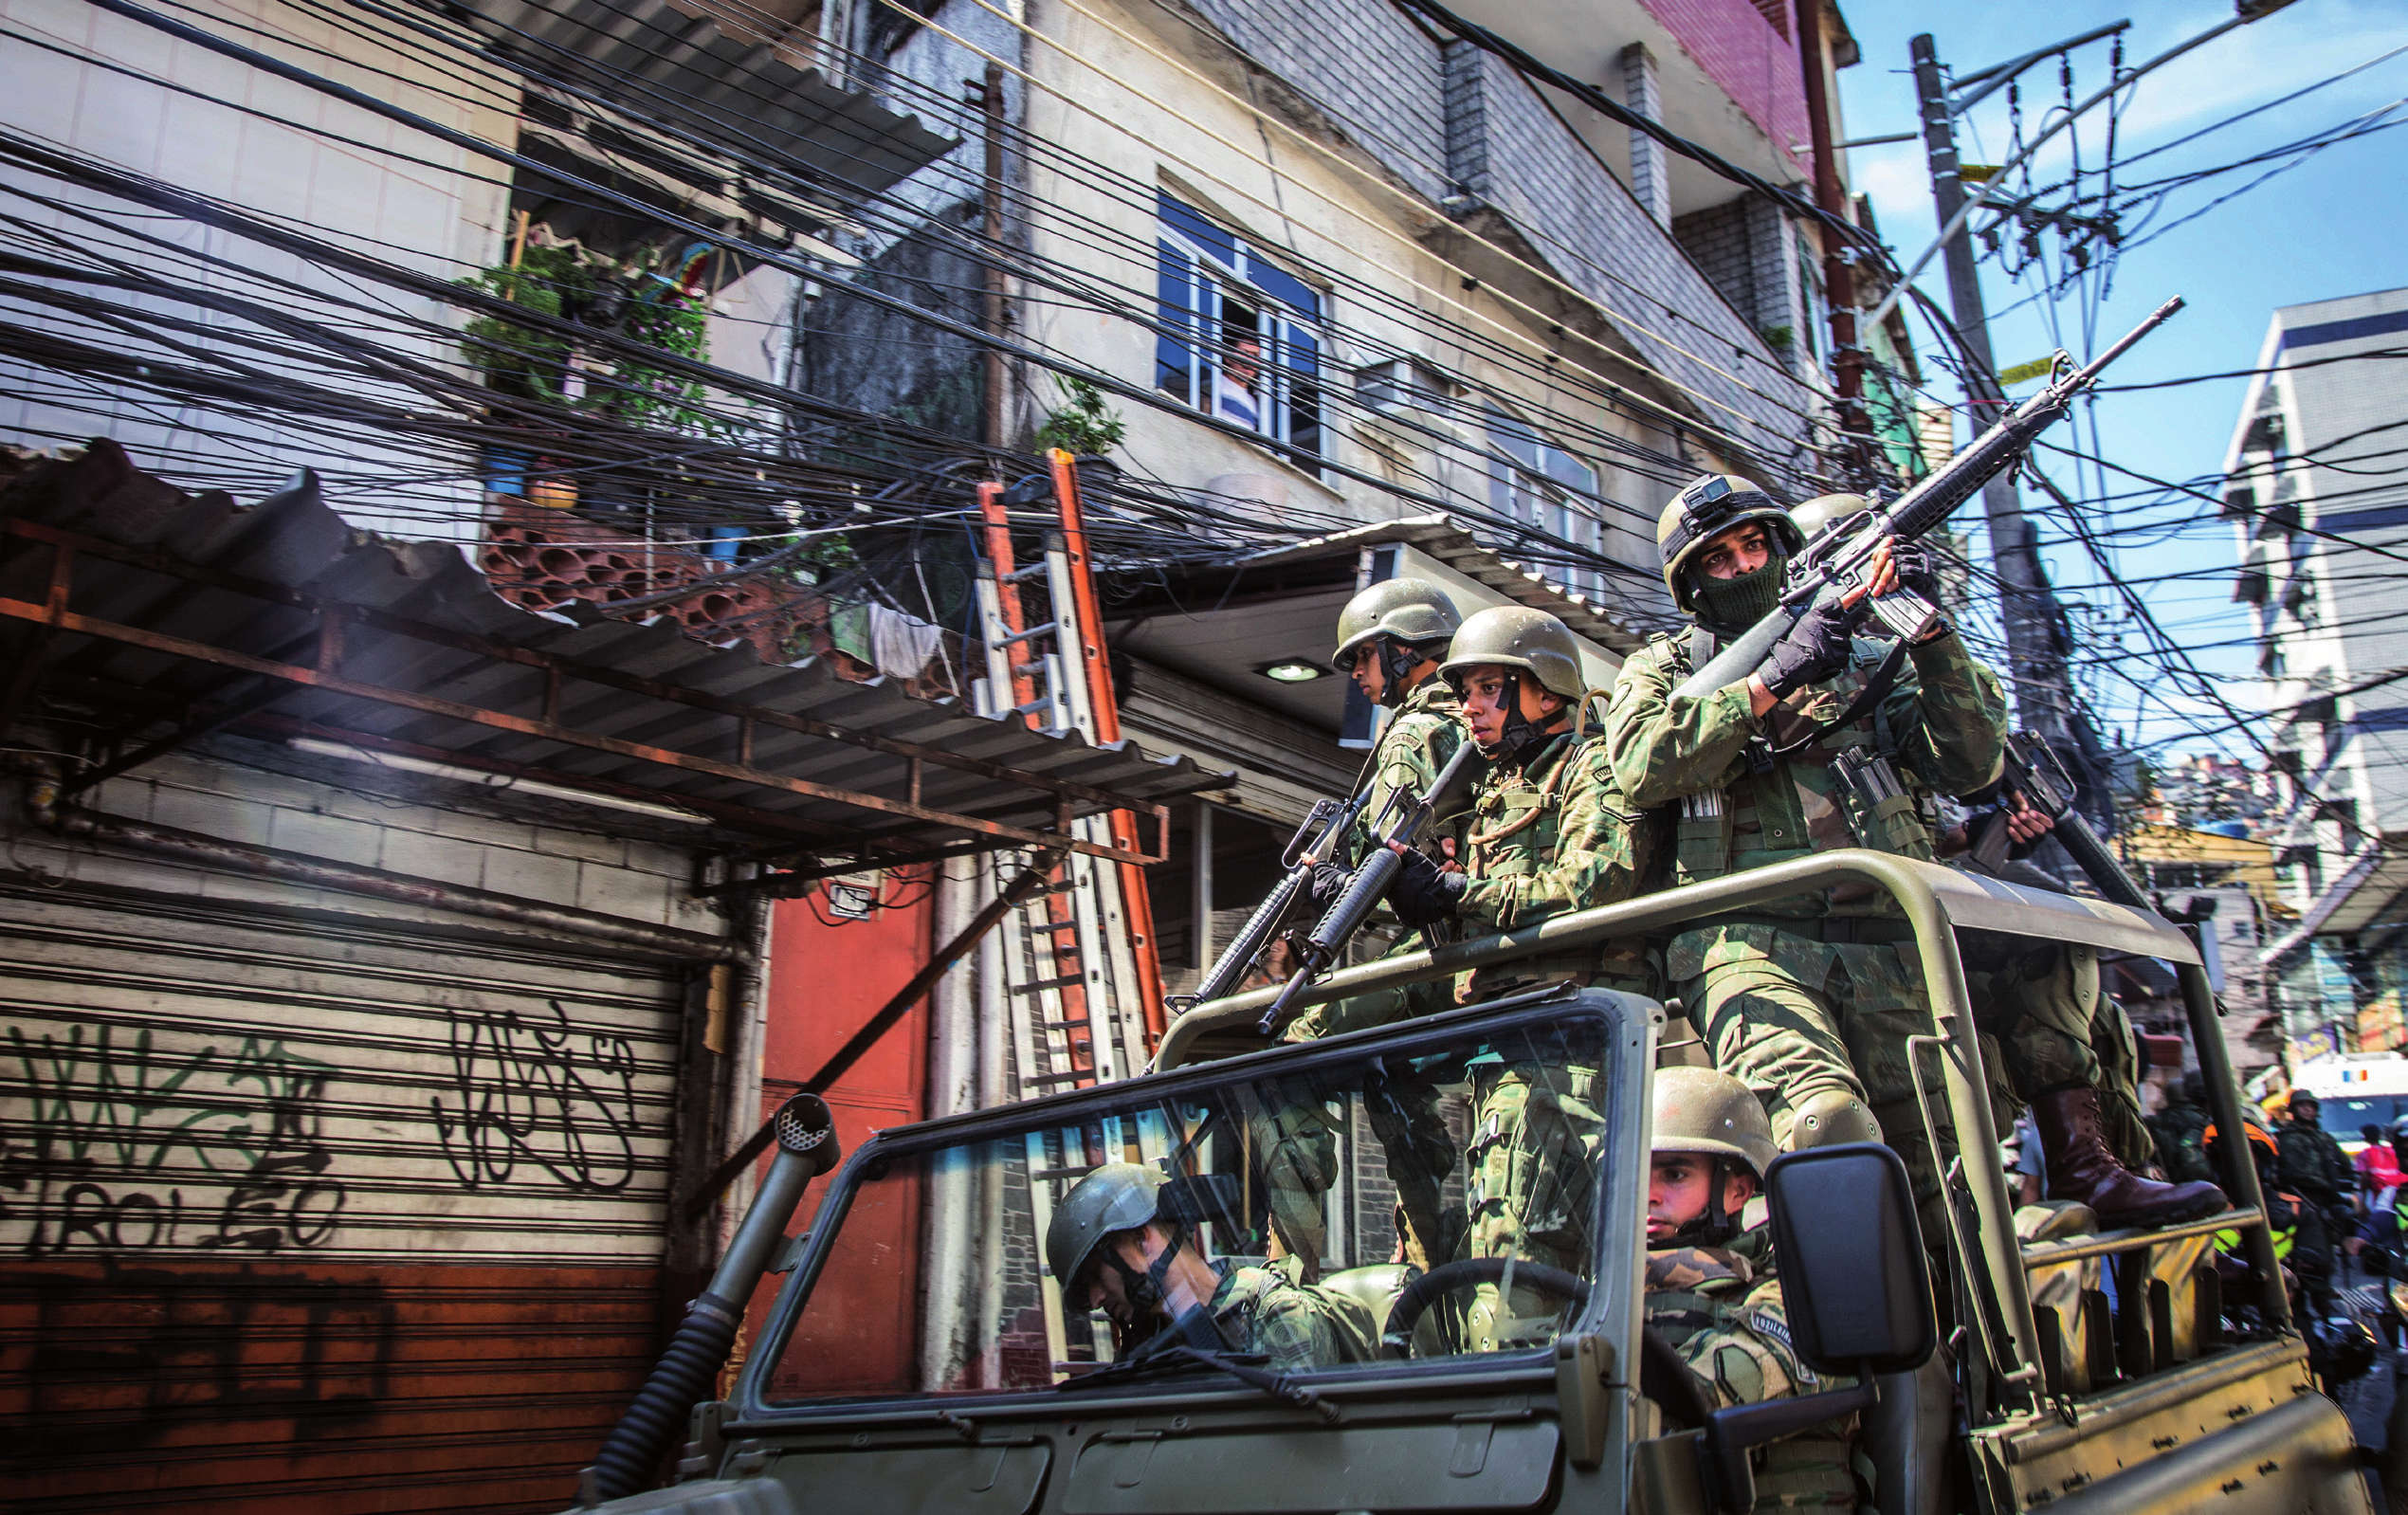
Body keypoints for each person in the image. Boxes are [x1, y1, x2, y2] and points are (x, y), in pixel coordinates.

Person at [1603, 474, 2007, 1221]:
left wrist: (1933, 637)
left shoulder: (1865, 658)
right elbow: (1638, 765)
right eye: (1719, 560)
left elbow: (1971, 764)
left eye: (1755, 546)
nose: (1744, 569)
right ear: (1692, 585)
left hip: (1893, 943)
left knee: (1953, 1180)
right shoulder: (1664, 670)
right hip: (1745, 945)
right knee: (1824, 1129)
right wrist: (1767, 684)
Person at [1383, 606, 1655, 1343]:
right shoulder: (1494, 790)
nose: (1467, 706)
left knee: (1520, 1289)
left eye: (1486, 688)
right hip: (1511, 1051)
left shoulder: (1590, 767)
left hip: (1569, 1052)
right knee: (1504, 1258)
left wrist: (1462, 894)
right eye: (1462, 689)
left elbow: (1595, 882)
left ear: (1544, 691)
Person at [1645, 1067, 1857, 1513]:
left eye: (1674, 1174)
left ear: (1737, 1190)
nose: (1648, 1194)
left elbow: (1722, 1386)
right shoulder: (1599, 1293)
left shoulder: (1796, 1288)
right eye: (1635, 1172)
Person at [1046, 1162, 1377, 1372]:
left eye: (1095, 1275)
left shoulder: (1277, 1316)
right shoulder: (1146, 1348)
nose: (1094, 1299)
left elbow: (1295, 1462)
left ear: (1140, 1239)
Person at [2275, 1091, 2352, 1288]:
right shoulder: (2287, 1138)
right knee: (2306, 1255)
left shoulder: (2325, 1138)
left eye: (2311, 1106)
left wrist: (2340, 1192)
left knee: (2325, 1253)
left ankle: (2323, 1298)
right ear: (2293, 1110)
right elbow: (2292, 1172)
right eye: (2302, 1106)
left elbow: (2345, 1166)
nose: (2308, 1110)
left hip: (2326, 1200)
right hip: (2300, 1199)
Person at [2147, 1071, 2216, 1186]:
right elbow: (2194, 1164)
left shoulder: (2153, 1122)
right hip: (2200, 1186)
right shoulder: (2202, 1121)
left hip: (2165, 1186)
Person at [1213, 333, 1265, 431]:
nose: (1250, 361)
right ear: (1228, 358)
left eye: (1255, 356)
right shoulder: (1214, 384)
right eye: (1245, 353)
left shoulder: (1254, 403)